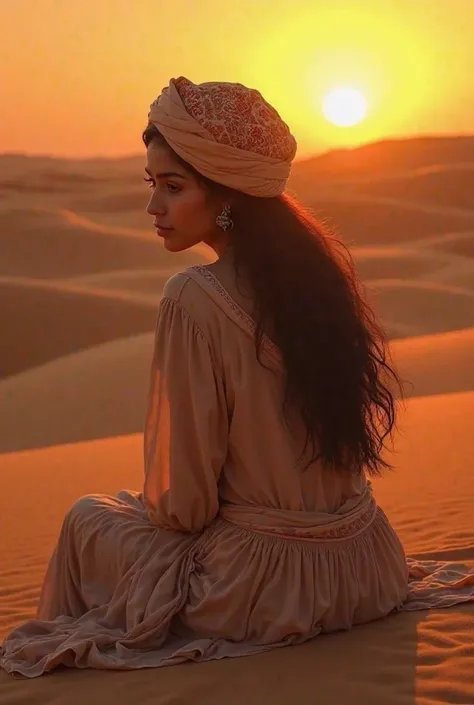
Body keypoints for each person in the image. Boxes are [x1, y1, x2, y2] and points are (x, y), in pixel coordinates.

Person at [1, 77, 473, 679]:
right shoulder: (320, 280)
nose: (153, 207)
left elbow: (185, 506)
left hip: (263, 591)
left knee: (86, 518)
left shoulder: (193, 296)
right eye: (152, 185)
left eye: (173, 188)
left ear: (228, 195)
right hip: (368, 567)